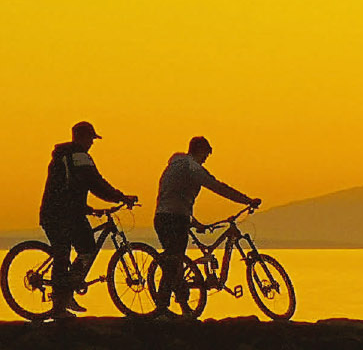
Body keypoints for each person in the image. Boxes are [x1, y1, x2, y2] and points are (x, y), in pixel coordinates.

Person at [39, 121, 135, 320]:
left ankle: (67, 292)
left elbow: (72, 187)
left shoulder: (67, 157)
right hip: (60, 214)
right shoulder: (78, 156)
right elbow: (95, 183)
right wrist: (120, 196)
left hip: (66, 212)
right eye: (90, 138)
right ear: (81, 138)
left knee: (84, 248)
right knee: (64, 252)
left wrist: (87, 208)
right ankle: (59, 304)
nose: (92, 143)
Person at [153, 135, 257, 313]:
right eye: (205, 155)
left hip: (163, 217)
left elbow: (173, 196)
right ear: (199, 151)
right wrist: (246, 200)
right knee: (173, 261)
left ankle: (183, 308)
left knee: (175, 260)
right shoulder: (193, 168)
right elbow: (218, 187)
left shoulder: (175, 165)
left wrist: (194, 222)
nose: (205, 159)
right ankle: (162, 307)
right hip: (175, 219)